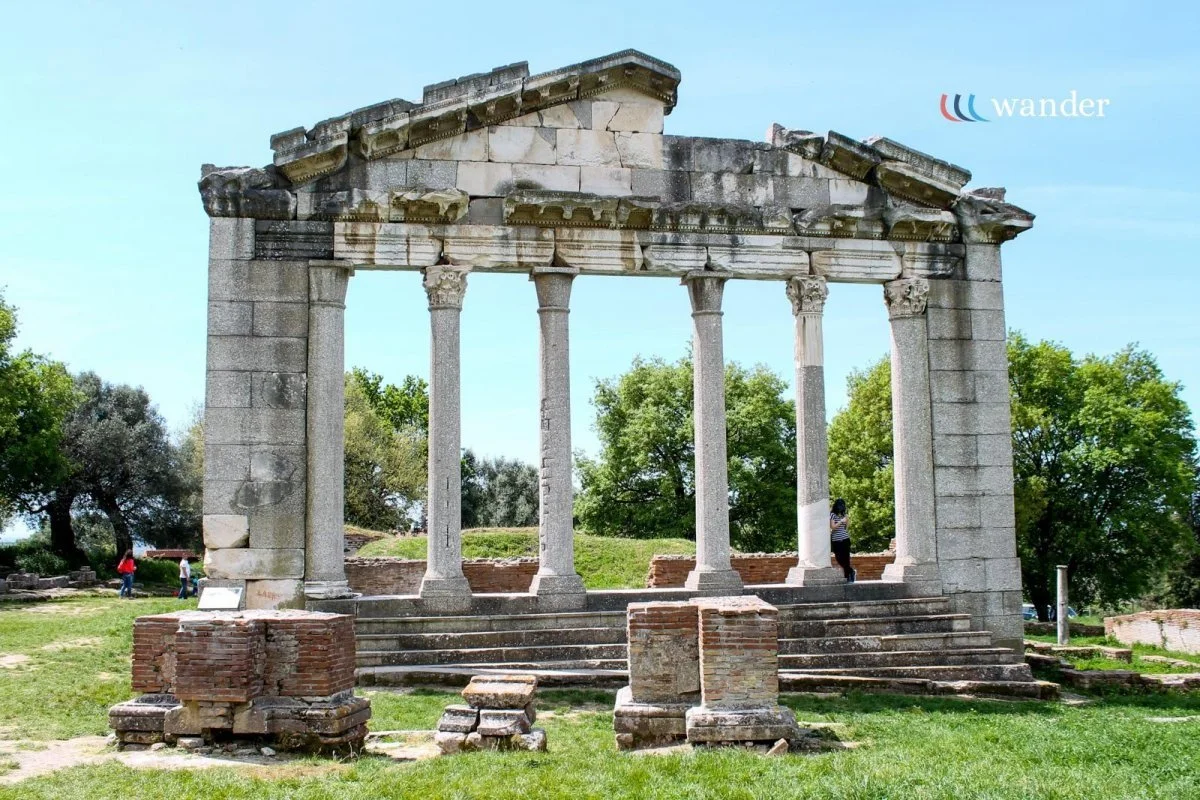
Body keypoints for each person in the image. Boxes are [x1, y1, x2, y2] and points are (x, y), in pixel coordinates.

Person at [830, 498, 856, 583]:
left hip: (845, 539)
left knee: (846, 559)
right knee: (839, 558)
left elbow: (846, 527)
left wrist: (847, 520)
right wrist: (841, 521)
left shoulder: (844, 515)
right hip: (836, 540)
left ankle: (847, 576)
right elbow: (833, 527)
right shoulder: (832, 515)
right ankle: (851, 571)